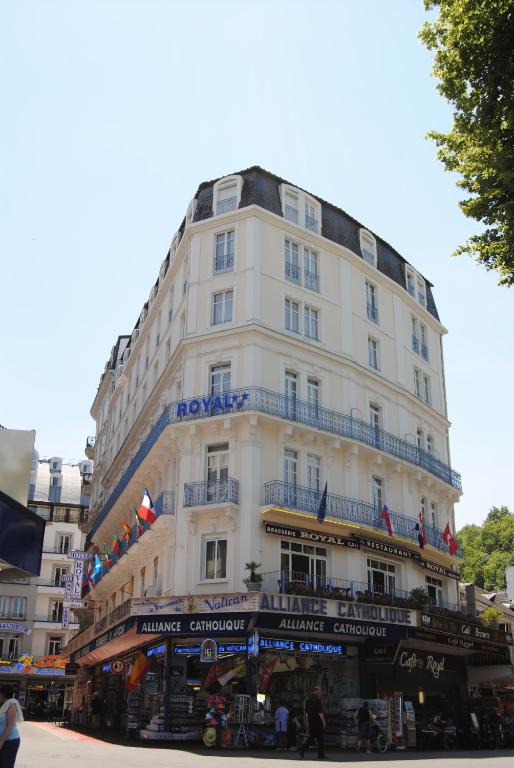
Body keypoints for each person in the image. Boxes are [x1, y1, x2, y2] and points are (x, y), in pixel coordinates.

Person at [299, 686, 326, 760]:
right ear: (316, 691)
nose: (320, 693)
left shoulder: (308, 700)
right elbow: (320, 713)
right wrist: (324, 722)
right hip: (317, 722)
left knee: (312, 737)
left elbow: (307, 713)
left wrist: (307, 722)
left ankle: (302, 749)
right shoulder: (317, 700)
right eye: (319, 691)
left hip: (311, 721)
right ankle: (320, 755)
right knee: (320, 739)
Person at [0, 686, 23, 768]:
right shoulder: (4, 705)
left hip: (10, 741)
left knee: (6, 765)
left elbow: (9, 725)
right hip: (4, 740)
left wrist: (1, 742)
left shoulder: (11, 704)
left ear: (2, 694)